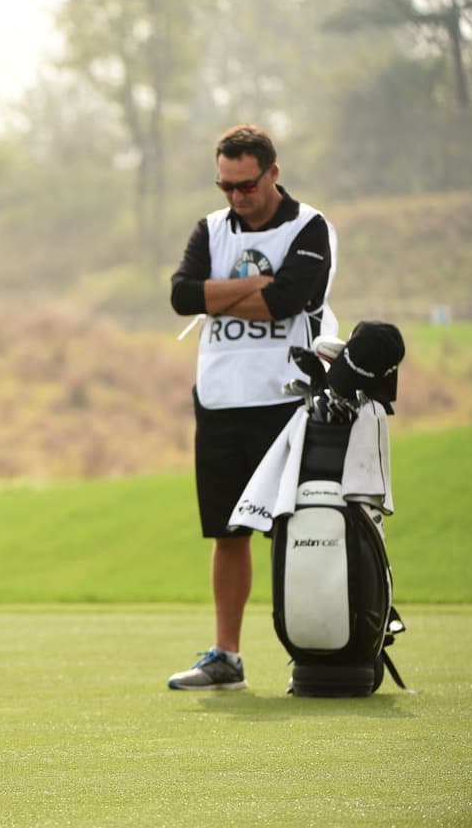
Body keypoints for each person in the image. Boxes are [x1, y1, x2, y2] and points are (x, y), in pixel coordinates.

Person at [167, 124, 336, 690]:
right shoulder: (210, 229)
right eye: (226, 186)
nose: (236, 197)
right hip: (219, 399)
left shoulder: (310, 227)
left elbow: (290, 300)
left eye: (245, 185)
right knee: (227, 531)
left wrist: (225, 292)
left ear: (272, 174)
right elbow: (181, 296)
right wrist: (256, 284)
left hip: (286, 399)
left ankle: (310, 649)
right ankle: (226, 659)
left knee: (292, 529)